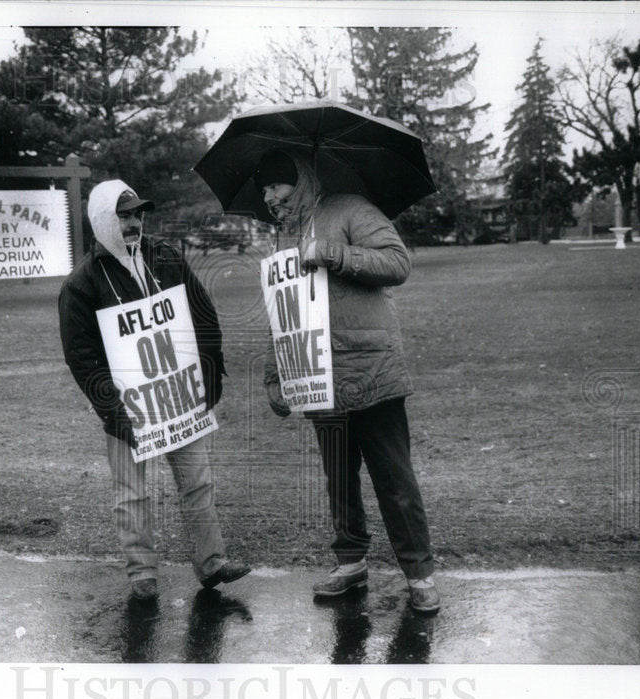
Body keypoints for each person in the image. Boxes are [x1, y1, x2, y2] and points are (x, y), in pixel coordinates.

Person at [255, 149, 439, 613]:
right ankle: (351, 563)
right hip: (317, 378)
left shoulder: (351, 208)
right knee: (339, 478)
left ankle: (419, 574)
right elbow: (281, 314)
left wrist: (331, 254)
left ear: (294, 182)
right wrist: (275, 374)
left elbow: (397, 264)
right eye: (263, 191)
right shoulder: (283, 239)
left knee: (394, 479)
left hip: (371, 370)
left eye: (274, 187)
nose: (269, 198)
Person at [59, 179, 250, 601]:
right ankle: (141, 572)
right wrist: (112, 406)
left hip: (178, 397)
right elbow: (81, 354)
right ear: (103, 220)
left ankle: (212, 562)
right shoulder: (83, 283)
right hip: (127, 408)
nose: (133, 223)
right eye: (123, 216)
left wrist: (210, 368)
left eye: (137, 214)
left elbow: (202, 314)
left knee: (198, 482)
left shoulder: (164, 258)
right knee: (131, 492)